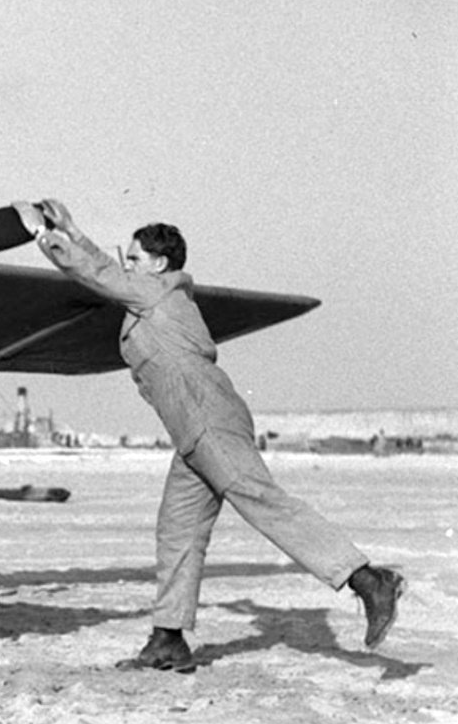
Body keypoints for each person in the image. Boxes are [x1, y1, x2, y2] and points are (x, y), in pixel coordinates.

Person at [27, 199, 403, 673]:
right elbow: (105, 268)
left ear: (159, 265)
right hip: (194, 430)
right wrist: (74, 230)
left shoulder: (158, 292)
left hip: (208, 421)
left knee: (261, 500)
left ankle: (368, 580)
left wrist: (46, 237)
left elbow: (98, 274)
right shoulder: (155, 292)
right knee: (178, 529)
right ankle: (168, 639)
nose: (128, 265)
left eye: (136, 258)